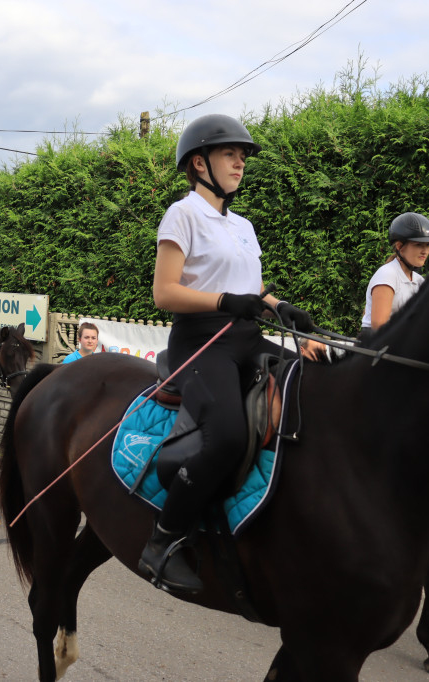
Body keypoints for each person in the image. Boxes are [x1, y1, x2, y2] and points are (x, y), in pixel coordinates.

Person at [138, 114, 315, 595]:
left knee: (311, 386)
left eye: (243, 156)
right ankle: (162, 542)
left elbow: (250, 287)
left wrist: (282, 308)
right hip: (200, 341)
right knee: (228, 435)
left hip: (244, 334)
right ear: (199, 163)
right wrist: (222, 302)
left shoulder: (243, 225)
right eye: (230, 154)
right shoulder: (182, 214)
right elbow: (164, 293)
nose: (240, 162)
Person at [358, 212, 429, 344]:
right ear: (400, 246)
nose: (425, 251)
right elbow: (379, 326)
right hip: (376, 346)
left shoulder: (419, 281)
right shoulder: (387, 275)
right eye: (418, 245)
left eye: (428, 245)